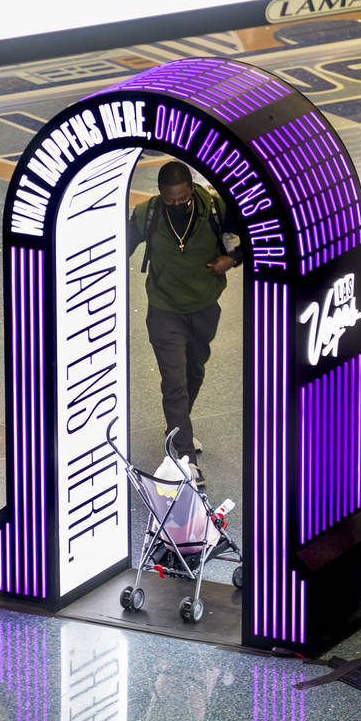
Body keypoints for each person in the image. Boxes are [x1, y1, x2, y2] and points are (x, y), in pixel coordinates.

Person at [127, 161, 242, 487]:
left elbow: (252, 237)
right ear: (161, 194)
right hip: (164, 310)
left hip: (204, 307)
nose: (176, 204)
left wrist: (231, 260)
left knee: (195, 371)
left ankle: (178, 427)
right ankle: (185, 457)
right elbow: (119, 246)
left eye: (181, 199)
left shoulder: (216, 210)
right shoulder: (147, 214)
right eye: (170, 199)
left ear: (191, 189)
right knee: (174, 380)